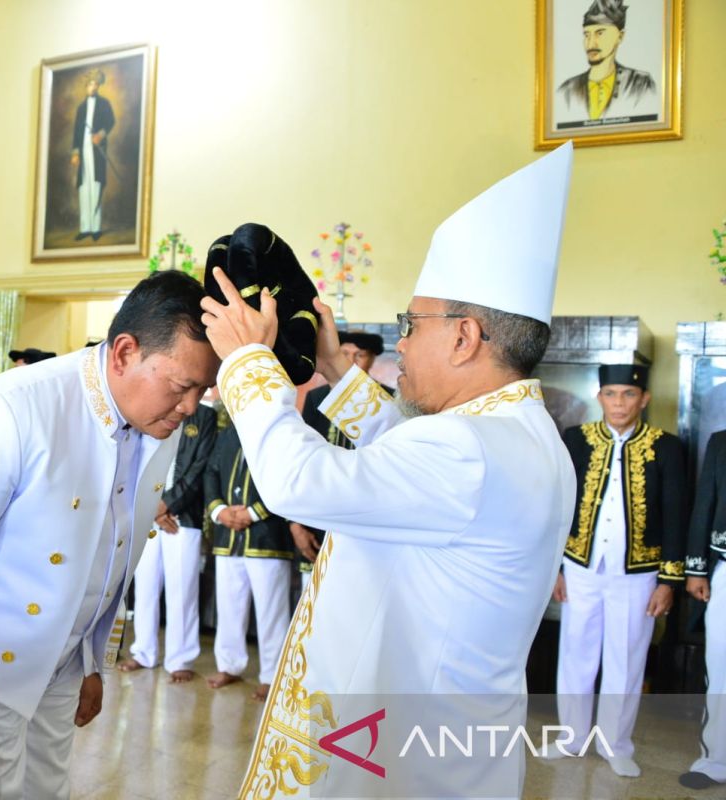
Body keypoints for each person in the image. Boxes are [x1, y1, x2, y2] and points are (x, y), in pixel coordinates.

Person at [197, 143, 576, 796]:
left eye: (413, 323)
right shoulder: (518, 434)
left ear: (464, 338)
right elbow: (409, 458)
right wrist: (338, 374)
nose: (400, 340)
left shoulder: (470, 452)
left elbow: (298, 483)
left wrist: (246, 363)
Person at [0, 270, 219, 798]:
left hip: (61, 669)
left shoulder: (153, 419)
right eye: (183, 386)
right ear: (124, 353)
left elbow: (113, 548)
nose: (191, 407)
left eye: (203, 389)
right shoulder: (12, 408)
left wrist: (92, 662)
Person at [552, 364, 688, 777]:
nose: (619, 403)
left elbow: (676, 513)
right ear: (600, 398)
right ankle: (571, 738)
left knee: (626, 658)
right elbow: (557, 504)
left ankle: (617, 744)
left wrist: (669, 579)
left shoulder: (667, 446)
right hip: (579, 564)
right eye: (611, 394)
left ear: (644, 398)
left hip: (639, 570)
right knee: (575, 651)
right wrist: (555, 566)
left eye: (628, 395)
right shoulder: (576, 439)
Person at [119, 397, 217, 683]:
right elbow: (138, 460)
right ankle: (143, 651)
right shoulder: (154, 404)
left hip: (182, 518)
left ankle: (180, 658)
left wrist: (167, 505)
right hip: (150, 514)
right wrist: (154, 508)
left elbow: (199, 468)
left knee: (182, 589)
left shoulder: (205, 416)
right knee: (145, 585)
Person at [293, 330, 393, 590]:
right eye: (345, 354)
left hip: (366, 517)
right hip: (319, 515)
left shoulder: (389, 398)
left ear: (372, 359)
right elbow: (305, 457)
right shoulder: (316, 397)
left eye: (360, 355)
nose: (352, 361)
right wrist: (296, 523)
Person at [203, 421, 293, 700]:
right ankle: (229, 665)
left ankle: (271, 675)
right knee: (229, 605)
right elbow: (212, 473)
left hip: (267, 537)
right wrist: (220, 511)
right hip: (228, 536)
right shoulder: (228, 433)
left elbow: (287, 476)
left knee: (271, 611)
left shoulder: (284, 431)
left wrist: (253, 513)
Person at [682, 430, 726, 790]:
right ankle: (715, 759)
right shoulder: (721, 441)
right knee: (721, 663)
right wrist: (696, 568)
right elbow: (705, 502)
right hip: (725, 565)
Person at [557, 0, 657, 122]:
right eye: (587, 35)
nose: (591, 43)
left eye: (600, 33)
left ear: (620, 36)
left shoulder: (640, 84)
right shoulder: (567, 90)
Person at [70, 68, 115, 242]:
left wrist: (100, 135)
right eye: (90, 84)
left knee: (96, 188)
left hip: (96, 153)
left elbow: (111, 122)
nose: (93, 87)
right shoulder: (81, 108)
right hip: (83, 152)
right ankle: (85, 227)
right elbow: (76, 132)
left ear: (99, 86)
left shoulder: (104, 104)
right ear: (86, 86)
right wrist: (75, 153)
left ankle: (96, 228)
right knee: (84, 189)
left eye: (96, 84)